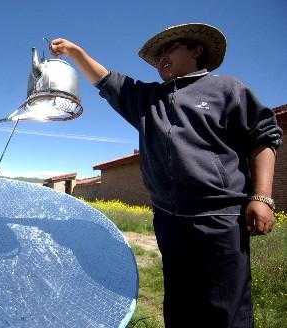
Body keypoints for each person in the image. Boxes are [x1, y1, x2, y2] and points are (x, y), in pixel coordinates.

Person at [50, 23, 282, 328]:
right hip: (169, 221)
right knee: (180, 303)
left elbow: (263, 138)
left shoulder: (227, 89)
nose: (161, 59)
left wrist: (262, 196)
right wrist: (76, 53)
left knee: (226, 309)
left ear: (196, 50)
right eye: (157, 56)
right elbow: (108, 81)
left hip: (220, 219)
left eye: (168, 49)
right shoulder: (148, 100)